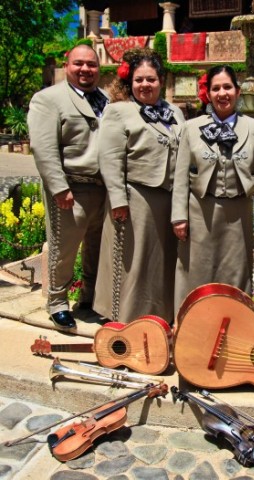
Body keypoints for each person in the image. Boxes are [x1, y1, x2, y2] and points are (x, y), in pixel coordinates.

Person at [93, 48, 184, 325]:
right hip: (135, 197)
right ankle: (120, 315)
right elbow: (109, 158)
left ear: (161, 81)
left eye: (151, 79)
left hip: (168, 198)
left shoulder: (175, 112)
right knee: (129, 260)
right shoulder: (119, 112)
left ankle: (156, 314)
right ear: (130, 83)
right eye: (139, 80)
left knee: (158, 263)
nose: (145, 85)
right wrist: (118, 199)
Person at [171, 65, 254, 313]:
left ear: (237, 91)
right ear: (208, 93)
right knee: (196, 271)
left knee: (236, 272)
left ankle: (235, 324)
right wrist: (179, 217)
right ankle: (190, 324)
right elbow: (180, 176)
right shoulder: (190, 128)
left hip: (239, 214)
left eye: (227, 87)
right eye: (216, 88)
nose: (222, 93)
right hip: (200, 211)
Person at [28, 44, 108, 331]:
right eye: (79, 63)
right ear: (67, 65)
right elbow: (43, 147)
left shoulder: (105, 99)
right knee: (65, 248)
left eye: (92, 64)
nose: (86, 69)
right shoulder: (48, 99)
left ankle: (89, 299)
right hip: (71, 188)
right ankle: (58, 302)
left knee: (98, 247)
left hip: (104, 189)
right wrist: (59, 187)